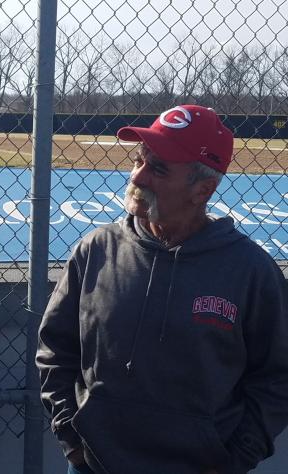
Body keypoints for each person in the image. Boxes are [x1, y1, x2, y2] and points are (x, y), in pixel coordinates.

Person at [36, 105, 288, 474]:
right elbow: (55, 350)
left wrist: (232, 460)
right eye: (139, 160)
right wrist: (72, 440)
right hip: (93, 465)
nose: (138, 176)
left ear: (203, 189)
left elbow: (277, 378)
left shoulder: (250, 272)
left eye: (158, 168)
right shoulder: (95, 250)